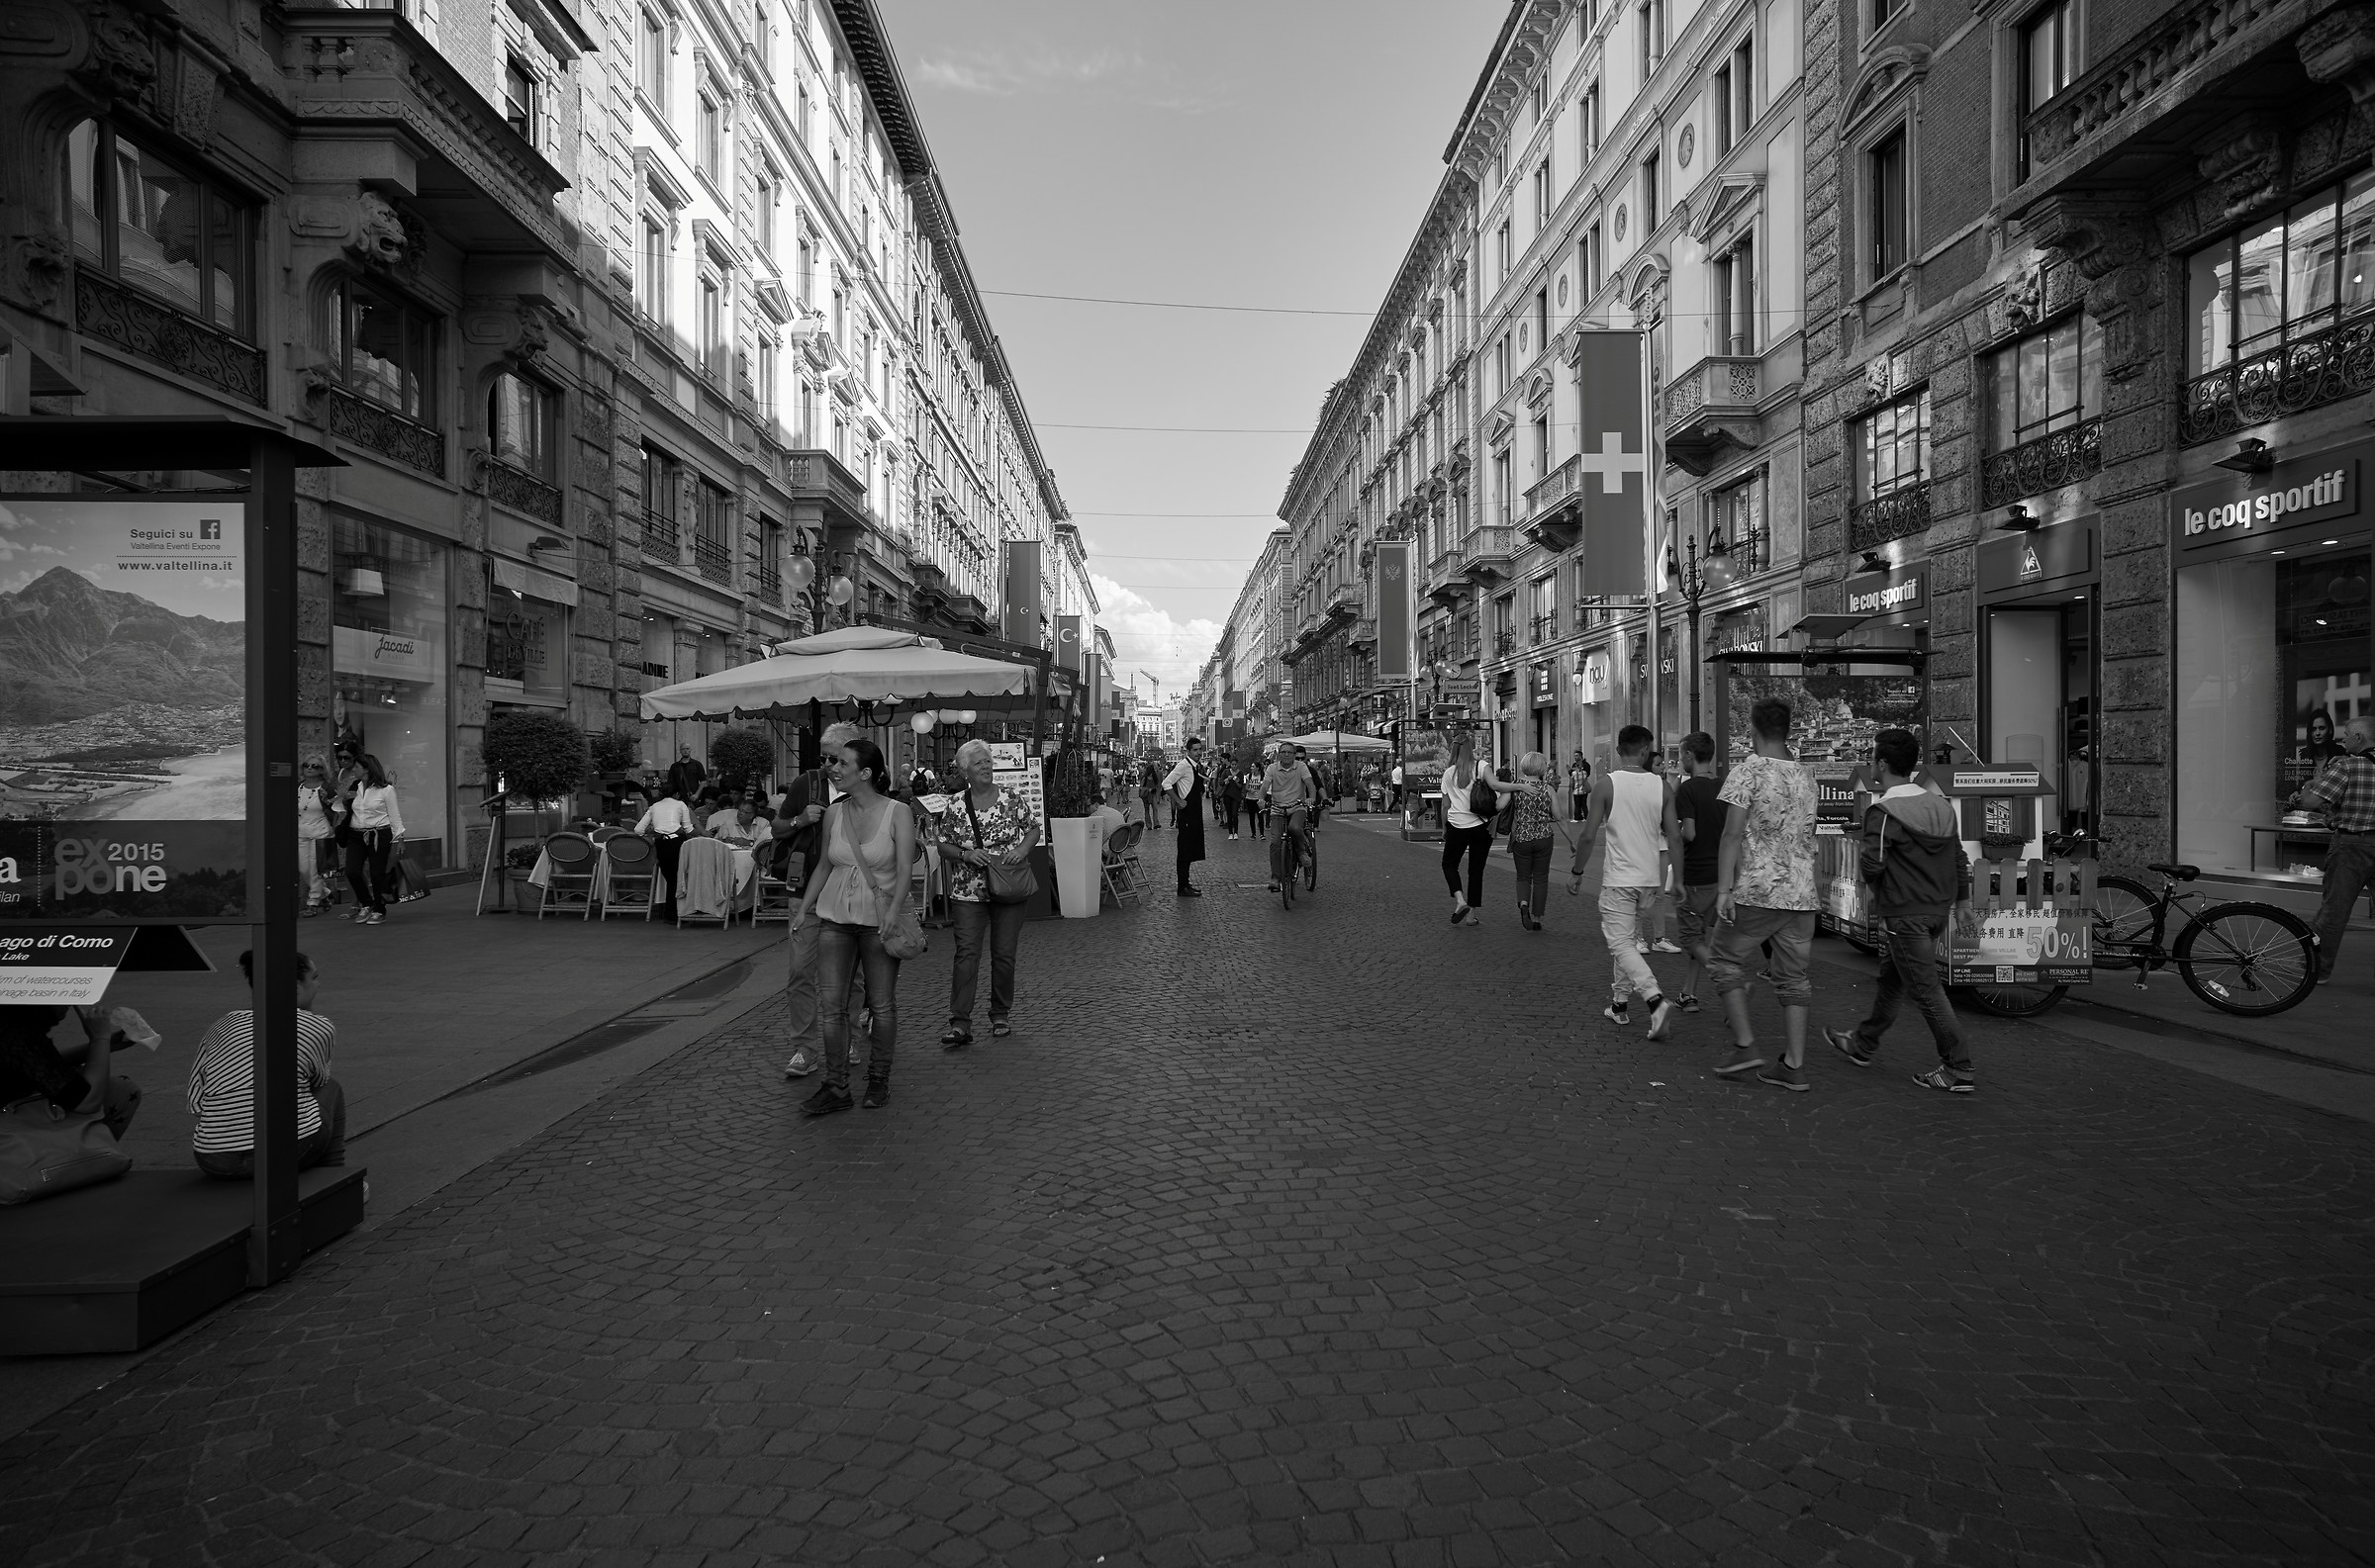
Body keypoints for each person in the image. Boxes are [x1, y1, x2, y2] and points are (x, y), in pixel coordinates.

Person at [1823, 728, 1976, 1093]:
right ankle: (1863, 1044)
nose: (1870, 763)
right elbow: (1958, 857)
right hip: (1936, 911)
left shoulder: (1883, 811)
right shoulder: (1940, 805)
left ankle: (1958, 1066)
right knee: (1892, 979)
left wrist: (1878, 892)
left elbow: (1872, 863)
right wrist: (1963, 902)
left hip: (1905, 913)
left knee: (1926, 990)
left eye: (1872, 758)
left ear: (1882, 764)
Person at [792, 735, 915, 1115]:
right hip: (835, 921)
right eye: (834, 762)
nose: (834, 768)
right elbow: (825, 865)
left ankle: (878, 1079)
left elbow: (906, 869)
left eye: (843, 763)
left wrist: (893, 912)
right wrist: (804, 909)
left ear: (865, 773)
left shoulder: (897, 812)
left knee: (881, 1004)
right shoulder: (834, 813)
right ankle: (836, 1086)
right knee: (832, 1007)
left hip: (879, 923)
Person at [1710, 697, 1823, 1091]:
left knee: (1723, 959)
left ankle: (1745, 1045)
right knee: (1794, 979)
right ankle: (1793, 1065)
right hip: (1801, 892)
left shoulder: (1748, 771)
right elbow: (1808, 835)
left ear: (1752, 729)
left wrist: (1724, 889)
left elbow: (1731, 835)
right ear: (1787, 730)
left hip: (1758, 889)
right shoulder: (1807, 775)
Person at [188, 951, 346, 1176]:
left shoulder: (221, 1026)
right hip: (289, 1151)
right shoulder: (318, 1026)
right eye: (315, 977)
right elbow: (318, 1081)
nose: (318, 985)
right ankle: (334, 1175)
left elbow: (196, 1103)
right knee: (331, 1087)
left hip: (214, 1159)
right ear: (295, 986)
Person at [1567, 725, 1680, 1036]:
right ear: (1645, 751)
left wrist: (1577, 872)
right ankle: (1619, 1004)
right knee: (1626, 941)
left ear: (1618, 750)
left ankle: (1655, 999)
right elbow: (1675, 837)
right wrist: (1679, 879)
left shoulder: (1607, 785)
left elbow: (1588, 835)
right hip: (1649, 880)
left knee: (1620, 943)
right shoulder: (1662, 786)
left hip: (1620, 878)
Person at [773, 723, 867, 1079]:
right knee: (800, 971)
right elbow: (777, 828)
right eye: (824, 758)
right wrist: (800, 819)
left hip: (849, 894)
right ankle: (804, 1048)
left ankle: (849, 1039)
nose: (828, 765)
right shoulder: (806, 784)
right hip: (805, 894)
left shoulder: (866, 786)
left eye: (836, 759)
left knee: (851, 975)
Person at [942, 738, 1040, 1047]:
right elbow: (943, 845)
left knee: (1004, 954)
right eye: (978, 763)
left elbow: (1033, 829)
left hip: (1008, 886)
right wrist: (966, 854)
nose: (985, 767)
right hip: (967, 892)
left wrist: (1022, 850)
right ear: (965, 771)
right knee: (966, 955)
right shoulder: (955, 805)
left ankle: (1000, 1014)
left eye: (988, 761)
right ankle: (960, 1022)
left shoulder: (1011, 798)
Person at [2293, 712, 2375, 984]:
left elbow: (2310, 803)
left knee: (2334, 910)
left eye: (2346, 735)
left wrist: (2309, 785)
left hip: (2352, 845)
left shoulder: (2348, 766)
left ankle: (2318, 969)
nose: (2343, 740)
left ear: (2359, 738)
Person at [0, 1004, 141, 1145]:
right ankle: (85, 1152)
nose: (69, 1005)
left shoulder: (11, 1026)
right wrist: (99, 1038)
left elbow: (42, 1063)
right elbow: (87, 1102)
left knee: (80, 1075)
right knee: (120, 1091)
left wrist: (106, 1045)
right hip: (9, 1124)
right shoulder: (16, 1034)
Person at [1671, 731, 1727, 1013]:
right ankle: (1688, 993)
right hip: (1720, 875)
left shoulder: (1688, 789)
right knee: (1702, 939)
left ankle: (1730, 984)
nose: (1680, 760)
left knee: (1691, 939)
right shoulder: (1724, 786)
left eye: (1681, 754)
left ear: (1690, 755)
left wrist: (1675, 834)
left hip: (1695, 873)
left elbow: (1690, 833)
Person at [1441, 735, 1518, 924]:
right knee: (1476, 871)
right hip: (1481, 825)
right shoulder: (1481, 766)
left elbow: (1445, 805)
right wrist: (1519, 786)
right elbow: (1495, 785)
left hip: (1457, 825)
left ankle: (1460, 900)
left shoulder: (1448, 773)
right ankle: (1471, 915)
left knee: (1449, 864)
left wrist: (1444, 827)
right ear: (1471, 748)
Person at [340, 753, 405, 926]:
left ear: (367, 769)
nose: (353, 769)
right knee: (352, 871)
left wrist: (399, 838)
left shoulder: (386, 789)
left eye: (356, 767)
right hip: (356, 833)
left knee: (377, 874)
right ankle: (367, 903)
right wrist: (344, 800)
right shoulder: (355, 786)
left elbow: (394, 815)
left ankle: (379, 909)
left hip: (379, 834)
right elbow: (347, 809)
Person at [1505, 751, 1562, 931]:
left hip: (1522, 836)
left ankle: (1523, 903)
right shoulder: (1548, 789)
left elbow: (1499, 805)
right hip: (1544, 836)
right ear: (1542, 767)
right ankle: (1537, 918)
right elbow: (1558, 816)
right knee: (1541, 878)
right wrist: (1572, 840)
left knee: (1523, 876)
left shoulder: (1516, 786)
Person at [633, 781, 699, 922]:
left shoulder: (654, 807)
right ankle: (676, 913)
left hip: (661, 844)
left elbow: (638, 830)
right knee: (678, 878)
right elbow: (688, 829)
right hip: (677, 842)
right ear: (677, 794)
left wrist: (652, 833)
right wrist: (701, 835)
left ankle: (671, 913)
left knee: (670, 879)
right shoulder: (681, 805)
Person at [1261, 743, 1318, 893]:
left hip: (1297, 807)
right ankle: (1275, 878)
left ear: (1294, 755)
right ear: (1279, 754)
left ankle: (1301, 851)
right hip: (1278, 809)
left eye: (1289, 752)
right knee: (1275, 842)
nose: (1286, 755)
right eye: (1283, 752)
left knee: (1295, 827)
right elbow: (1265, 786)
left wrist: (1311, 798)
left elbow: (1310, 784)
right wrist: (1261, 799)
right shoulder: (1272, 768)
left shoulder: (1301, 767)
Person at [1162, 738, 1209, 895]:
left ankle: (1185, 883)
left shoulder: (1195, 766)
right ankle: (1182, 886)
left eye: (1200, 749)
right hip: (1187, 815)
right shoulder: (1183, 765)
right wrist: (1178, 801)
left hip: (1194, 813)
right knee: (1184, 850)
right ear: (1188, 751)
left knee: (1189, 849)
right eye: (1195, 750)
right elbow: (1166, 783)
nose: (1199, 753)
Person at [298, 756, 338, 914]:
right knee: (304, 869)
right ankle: (326, 894)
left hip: (321, 833)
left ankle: (313, 902)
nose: (309, 768)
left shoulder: (327, 788)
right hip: (301, 832)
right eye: (306, 765)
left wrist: (326, 801)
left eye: (314, 766)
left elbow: (337, 810)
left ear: (321, 770)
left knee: (315, 870)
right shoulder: (298, 787)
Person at [1219, 763, 1246, 840]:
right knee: (1229, 814)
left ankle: (1236, 832)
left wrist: (1237, 782)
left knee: (1234, 814)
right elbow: (1221, 782)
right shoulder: (1226, 772)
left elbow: (1241, 786)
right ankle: (1230, 832)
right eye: (1232, 764)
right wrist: (1227, 780)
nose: (1234, 766)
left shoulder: (1240, 773)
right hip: (1227, 796)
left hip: (1236, 797)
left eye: (1235, 764)